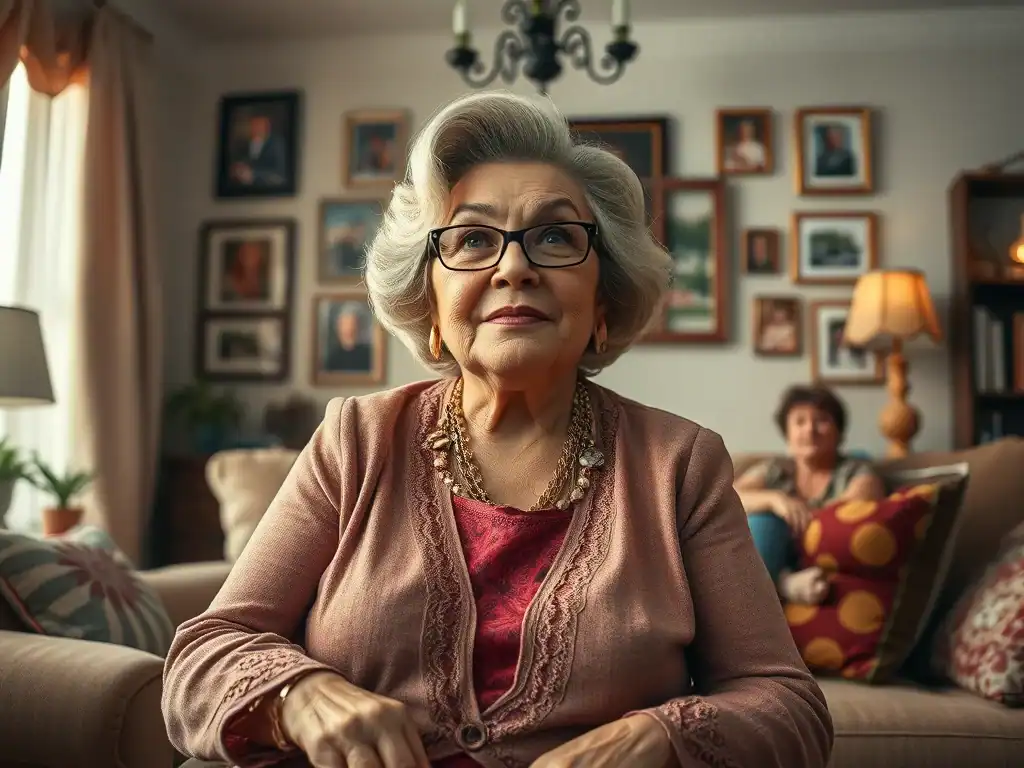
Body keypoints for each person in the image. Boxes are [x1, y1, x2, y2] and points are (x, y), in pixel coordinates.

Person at [163, 91, 833, 768]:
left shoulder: (680, 464)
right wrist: (297, 697)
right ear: (431, 305)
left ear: (603, 301)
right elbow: (204, 654)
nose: (514, 267)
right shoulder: (356, 439)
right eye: (474, 239)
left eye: (555, 237)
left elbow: (789, 705)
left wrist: (660, 737)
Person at [734, 385, 885, 605]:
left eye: (821, 420)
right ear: (787, 434)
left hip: (821, 559)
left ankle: (774, 588)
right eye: (800, 422)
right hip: (771, 558)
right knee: (762, 520)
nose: (810, 430)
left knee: (763, 522)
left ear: (839, 432)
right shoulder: (776, 469)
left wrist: (802, 518)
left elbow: (854, 513)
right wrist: (775, 500)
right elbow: (726, 497)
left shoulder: (855, 470)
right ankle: (782, 587)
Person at [323, 303, 372, 373]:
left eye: (352, 325)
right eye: (345, 325)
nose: (349, 329)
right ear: (338, 328)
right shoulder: (332, 358)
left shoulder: (368, 356)